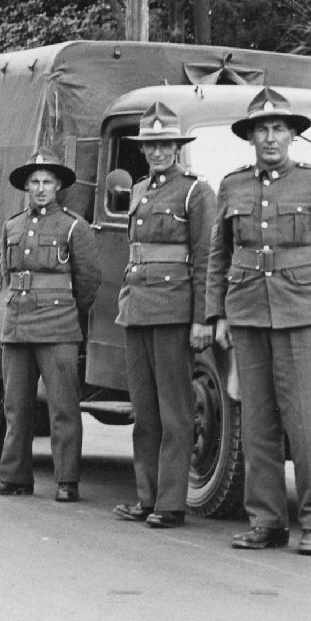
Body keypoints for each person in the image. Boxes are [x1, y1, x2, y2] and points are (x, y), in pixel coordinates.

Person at [205, 86, 311, 556]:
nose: (270, 138)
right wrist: (217, 313)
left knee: (306, 427)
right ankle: (267, 522)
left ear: (292, 135)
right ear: (250, 137)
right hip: (249, 315)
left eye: (278, 129)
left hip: (301, 316)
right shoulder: (232, 186)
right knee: (257, 426)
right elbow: (218, 254)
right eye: (262, 130)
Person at [111, 101, 216, 529]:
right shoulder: (139, 190)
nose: (158, 152)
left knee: (176, 412)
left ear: (177, 147)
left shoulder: (195, 192)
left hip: (174, 310)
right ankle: (147, 497)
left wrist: (202, 319)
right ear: (143, 149)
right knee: (144, 411)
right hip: (137, 307)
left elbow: (206, 258)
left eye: (165, 144)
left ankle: (171, 504)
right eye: (151, 145)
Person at [0, 150, 100, 502]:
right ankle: (14, 476)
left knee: (63, 407)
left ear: (58, 185)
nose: (41, 188)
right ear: (26, 186)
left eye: (47, 181)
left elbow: (88, 281)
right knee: (16, 406)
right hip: (18, 325)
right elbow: (8, 274)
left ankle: (67, 480)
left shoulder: (74, 227)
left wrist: (67, 314)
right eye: (34, 181)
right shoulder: (12, 226)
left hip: (58, 326)